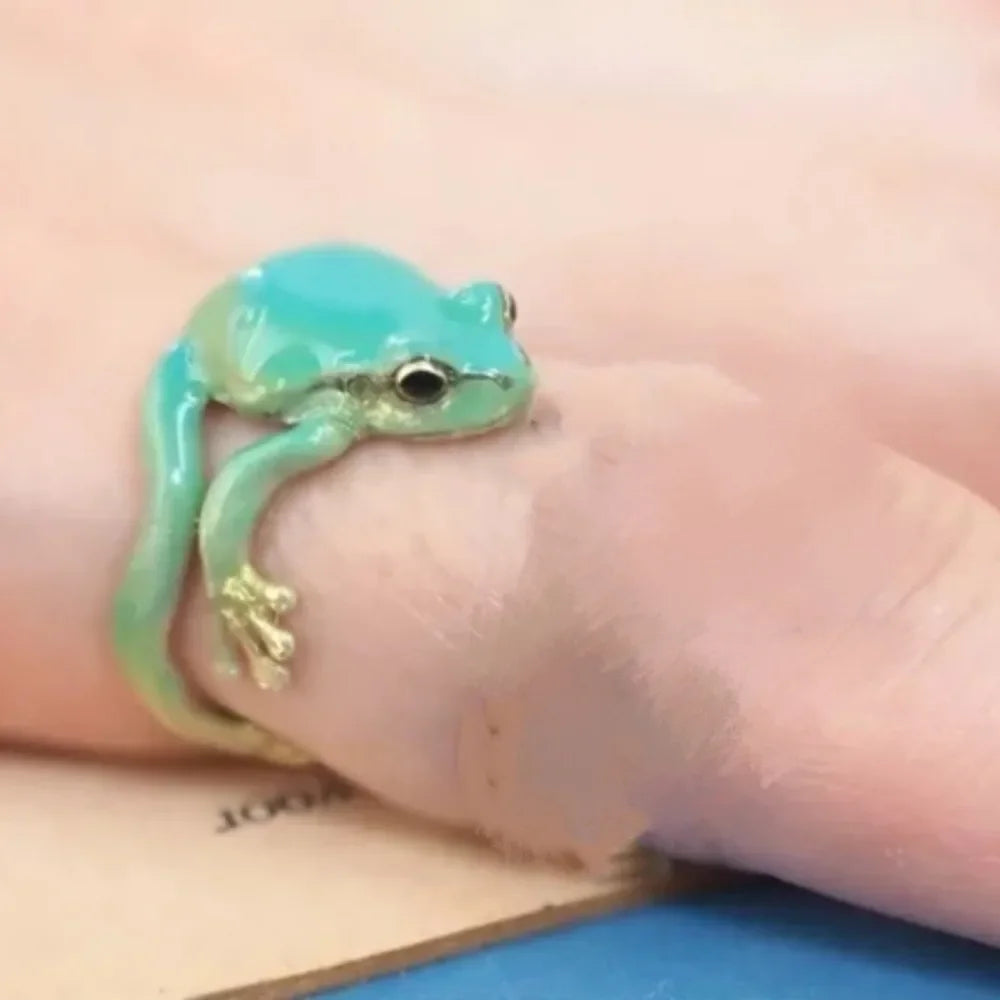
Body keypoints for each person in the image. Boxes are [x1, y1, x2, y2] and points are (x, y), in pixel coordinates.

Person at [3, 0, 999, 946]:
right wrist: (234, 585)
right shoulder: (318, 423)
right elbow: (233, 488)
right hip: (243, 352)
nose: (510, 381)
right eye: (426, 389)